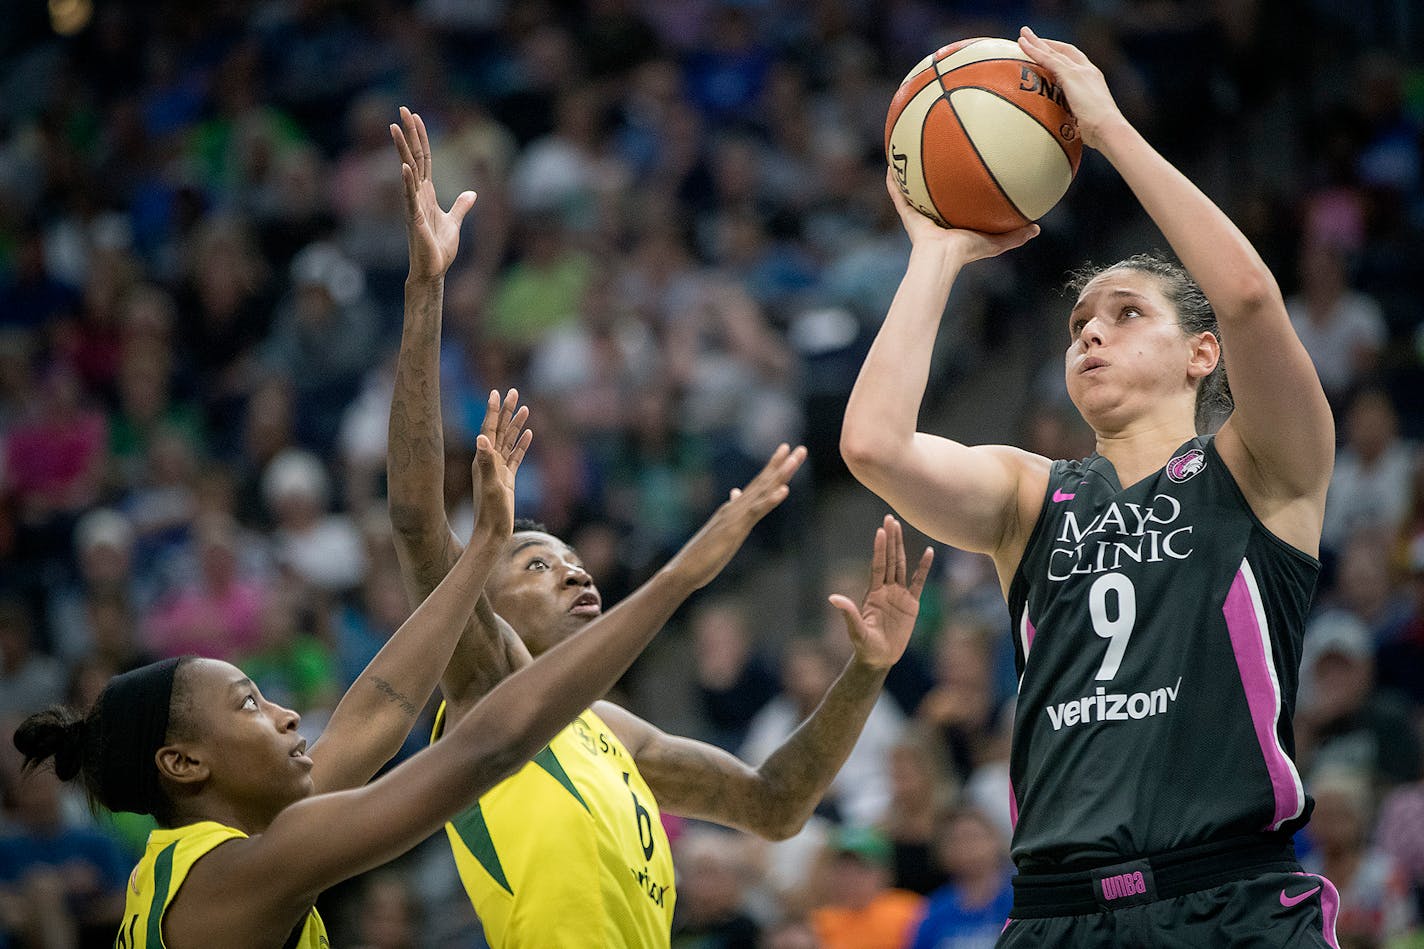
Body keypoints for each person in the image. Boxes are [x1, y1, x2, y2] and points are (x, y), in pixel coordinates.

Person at [386, 105, 935, 948]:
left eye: (570, 558)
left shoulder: (610, 728)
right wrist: (428, 287)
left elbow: (773, 804)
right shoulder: (482, 685)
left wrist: (866, 672)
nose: (573, 572)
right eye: (537, 564)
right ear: (477, 603)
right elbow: (420, 521)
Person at [840, 27, 1338, 947]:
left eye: (1125, 313)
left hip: (1228, 900)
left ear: (1201, 354)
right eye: (1077, 322)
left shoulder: (1260, 468)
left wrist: (1110, 132)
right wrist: (938, 255)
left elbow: (1253, 299)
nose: (1090, 334)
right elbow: (872, 443)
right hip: (1056, 914)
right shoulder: (1031, 495)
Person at [10, 392, 802, 948]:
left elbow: (387, 701)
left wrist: (485, 544)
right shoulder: (233, 875)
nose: (288, 715)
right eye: (250, 704)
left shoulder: (221, 848)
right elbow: (484, 747)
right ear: (184, 763)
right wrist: (677, 579)